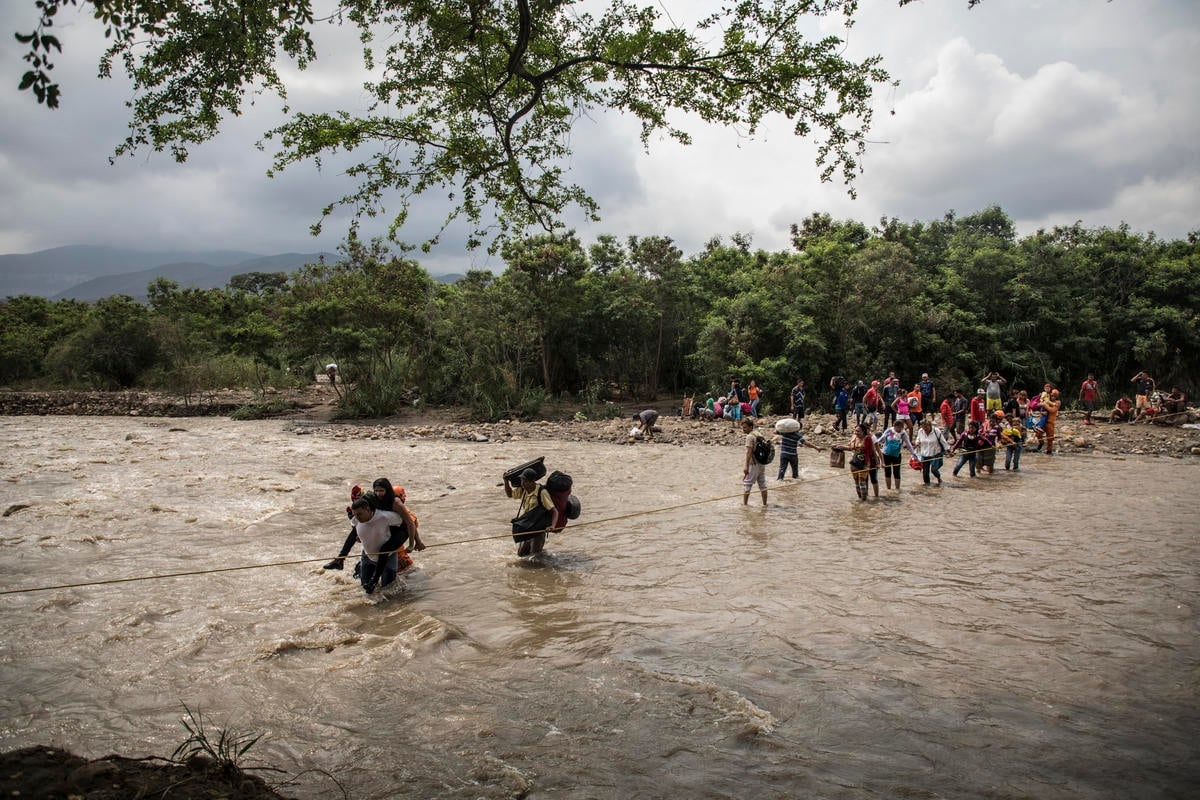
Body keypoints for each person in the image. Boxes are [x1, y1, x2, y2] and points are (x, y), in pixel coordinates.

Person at [324, 478, 423, 571]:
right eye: (377, 491)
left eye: (381, 491)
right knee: (357, 534)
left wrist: (415, 543)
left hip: (395, 543)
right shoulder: (374, 500)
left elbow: (411, 524)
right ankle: (340, 560)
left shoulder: (398, 505)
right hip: (381, 536)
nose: (379, 494)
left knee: (396, 564)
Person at [347, 498, 410, 594]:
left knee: (389, 590)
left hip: (389, 556)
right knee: (365, 589)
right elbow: (354, 532)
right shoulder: (358, 519)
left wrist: (414, 542)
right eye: (355, 514)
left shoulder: (388, 516)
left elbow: (409, 524)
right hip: (368, 555)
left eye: (359, 514)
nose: (357, 517)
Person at [504, 467, 561, 556]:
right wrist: (506, 481)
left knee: (534, 557)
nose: (523, 483)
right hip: (527, 528)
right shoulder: (523, 490)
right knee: (521, 555)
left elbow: (554, 511)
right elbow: (510, 494)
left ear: (532, 481)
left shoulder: (542, 492)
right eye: (522, 480)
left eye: (525, 481)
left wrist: (552, 526)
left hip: (538, 530)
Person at [836, 423, 881, 500]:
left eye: (858, 431)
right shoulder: (854, 437)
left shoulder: (868, 438)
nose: (856, 433)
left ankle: (864, 500)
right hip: (854, 463)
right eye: (855, 431)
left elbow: (873, 451)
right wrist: (842, 447)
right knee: (857, 483)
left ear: (863, 431)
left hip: (865, 464)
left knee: (862, 482)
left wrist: (877, 463)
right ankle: (860, 500)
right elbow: (850, 448)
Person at [875, 419, 918, 491]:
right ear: (894, 426)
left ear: (902, 427)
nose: (898, 429)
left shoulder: (903, 434)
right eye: (897, 427)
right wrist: (875, 444)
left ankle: (897, 490)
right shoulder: (890, 431)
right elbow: (881, 440)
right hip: (886, 454)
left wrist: (914, 454)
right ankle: (888, 489)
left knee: (897, 472)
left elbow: (908, 444)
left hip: (897, 455)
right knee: (887, 472)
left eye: (900, 427)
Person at [914, 417, 950, 486]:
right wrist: (917, 442)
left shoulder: (936, 431)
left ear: (930, 426)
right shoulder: (920, 431)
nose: (925, 430)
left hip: (935, 454)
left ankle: (939, 478)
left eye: (926, 428)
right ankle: (927, 487)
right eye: (924, 428)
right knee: (925, 474)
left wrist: (948, 450)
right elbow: (918, 438)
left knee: (934, 470)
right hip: (925, 454)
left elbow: (943, 441)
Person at [740, 418, 768, 506]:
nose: (743, 430)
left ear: (750, 427)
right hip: (761, 463)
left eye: (745, 428)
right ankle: (765, 504)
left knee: (747, 484)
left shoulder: (750, 437)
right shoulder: (758, 434)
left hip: (754, 464)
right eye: (743, 427)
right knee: (762, 484)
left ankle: (745, 505)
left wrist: (746, 466)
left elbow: (749, 452)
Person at [1043, 388, 1062, 455]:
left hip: (1051, 422)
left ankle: (1049, 451)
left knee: (1050, 438)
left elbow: (1052, 410)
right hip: (1043, 421)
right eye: (1052, 395)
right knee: (1038, 433)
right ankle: (1040, 444)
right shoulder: (1047, 399)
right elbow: (1040, 405)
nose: (1053, 397)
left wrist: (1045, 405)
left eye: (1055, 396)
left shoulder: (1058, 402)